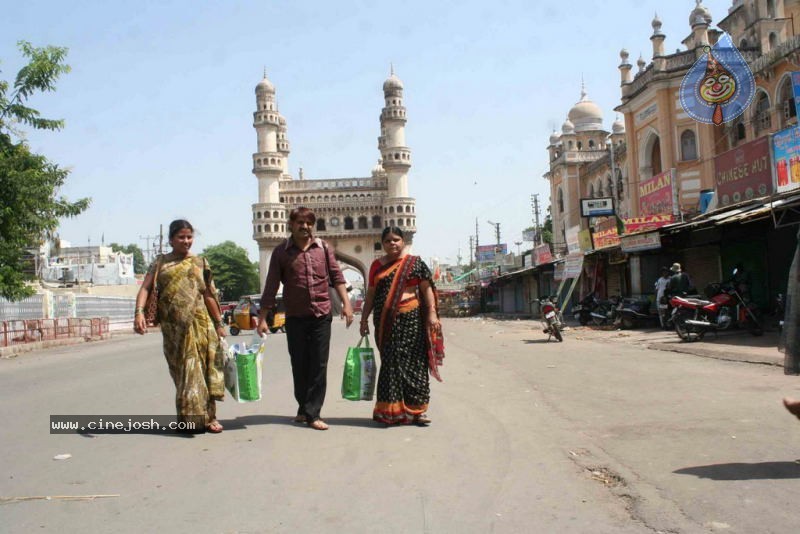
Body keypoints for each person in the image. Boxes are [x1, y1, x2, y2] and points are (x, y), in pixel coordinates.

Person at [257, 207, 354, 430]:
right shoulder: (281, 252)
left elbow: (337, 277)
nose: (305, 226)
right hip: (295, 316)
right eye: (300, 222)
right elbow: (271, 285)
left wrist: (347, 304)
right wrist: (262, 318)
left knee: (318, 364)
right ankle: (304, 406)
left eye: (309, 222)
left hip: (321, 314)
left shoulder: (323, 248)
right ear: (290, 225)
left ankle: (313, 413)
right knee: (299, 364)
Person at [134, 220, 227, 433]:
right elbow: (146, 289)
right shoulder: (160, 263)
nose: (186, 241)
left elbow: (208, 295)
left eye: (189, 237)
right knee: (182, 373)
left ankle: (209, 418)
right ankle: (189, 418)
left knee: (201, 371)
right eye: (181, 237)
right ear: (171, 240)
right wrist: (138, 313)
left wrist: (219, 323)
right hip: (173, 329)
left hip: (200, 325)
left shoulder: (199, 262)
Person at [359, 227, 444, 426]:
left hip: (412, 318)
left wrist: (431, 313)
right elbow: (371, 295)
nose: (392, 244)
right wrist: (363, 319)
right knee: (390, 365)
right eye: (388, 241)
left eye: (396, 239)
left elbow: (427, 289)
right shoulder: (376, 267)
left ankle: (418, 411)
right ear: (382, 244)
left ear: (403, 241)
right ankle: (391, 412)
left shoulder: (414, 264)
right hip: (385, 322)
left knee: (415, 363)